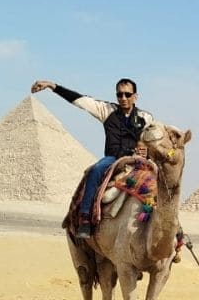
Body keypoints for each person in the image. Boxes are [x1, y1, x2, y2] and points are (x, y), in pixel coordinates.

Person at [31, 78, 154, 239]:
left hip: (136, 161)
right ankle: (85, 218)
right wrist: (52, 86)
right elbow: (79, 100)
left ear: (135, 96)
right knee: (95, 170)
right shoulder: (106, 110)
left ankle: (172, 230)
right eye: (119, 94)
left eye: (127, 94)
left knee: (162, 179)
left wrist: (147, 152)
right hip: (113, 158)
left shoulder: (146, 117)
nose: (123, 98)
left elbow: (152, 141)